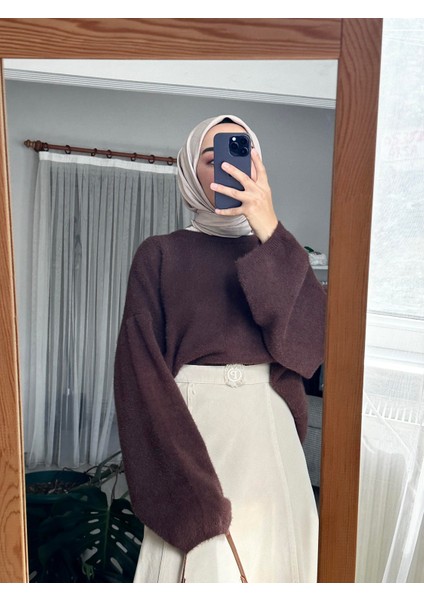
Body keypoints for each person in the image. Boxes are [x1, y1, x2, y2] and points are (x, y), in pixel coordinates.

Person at [113, 114, 327, 583]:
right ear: (191, 171)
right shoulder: (159, 253)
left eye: (241, 157)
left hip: (267, 427)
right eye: (212, 160)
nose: (228, 169)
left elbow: (310, 345)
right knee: (202, 560)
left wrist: (269, 228)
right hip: (193, 425)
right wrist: (180, 483)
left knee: (272, 561)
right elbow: (138, 372)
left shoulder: (279, 251)